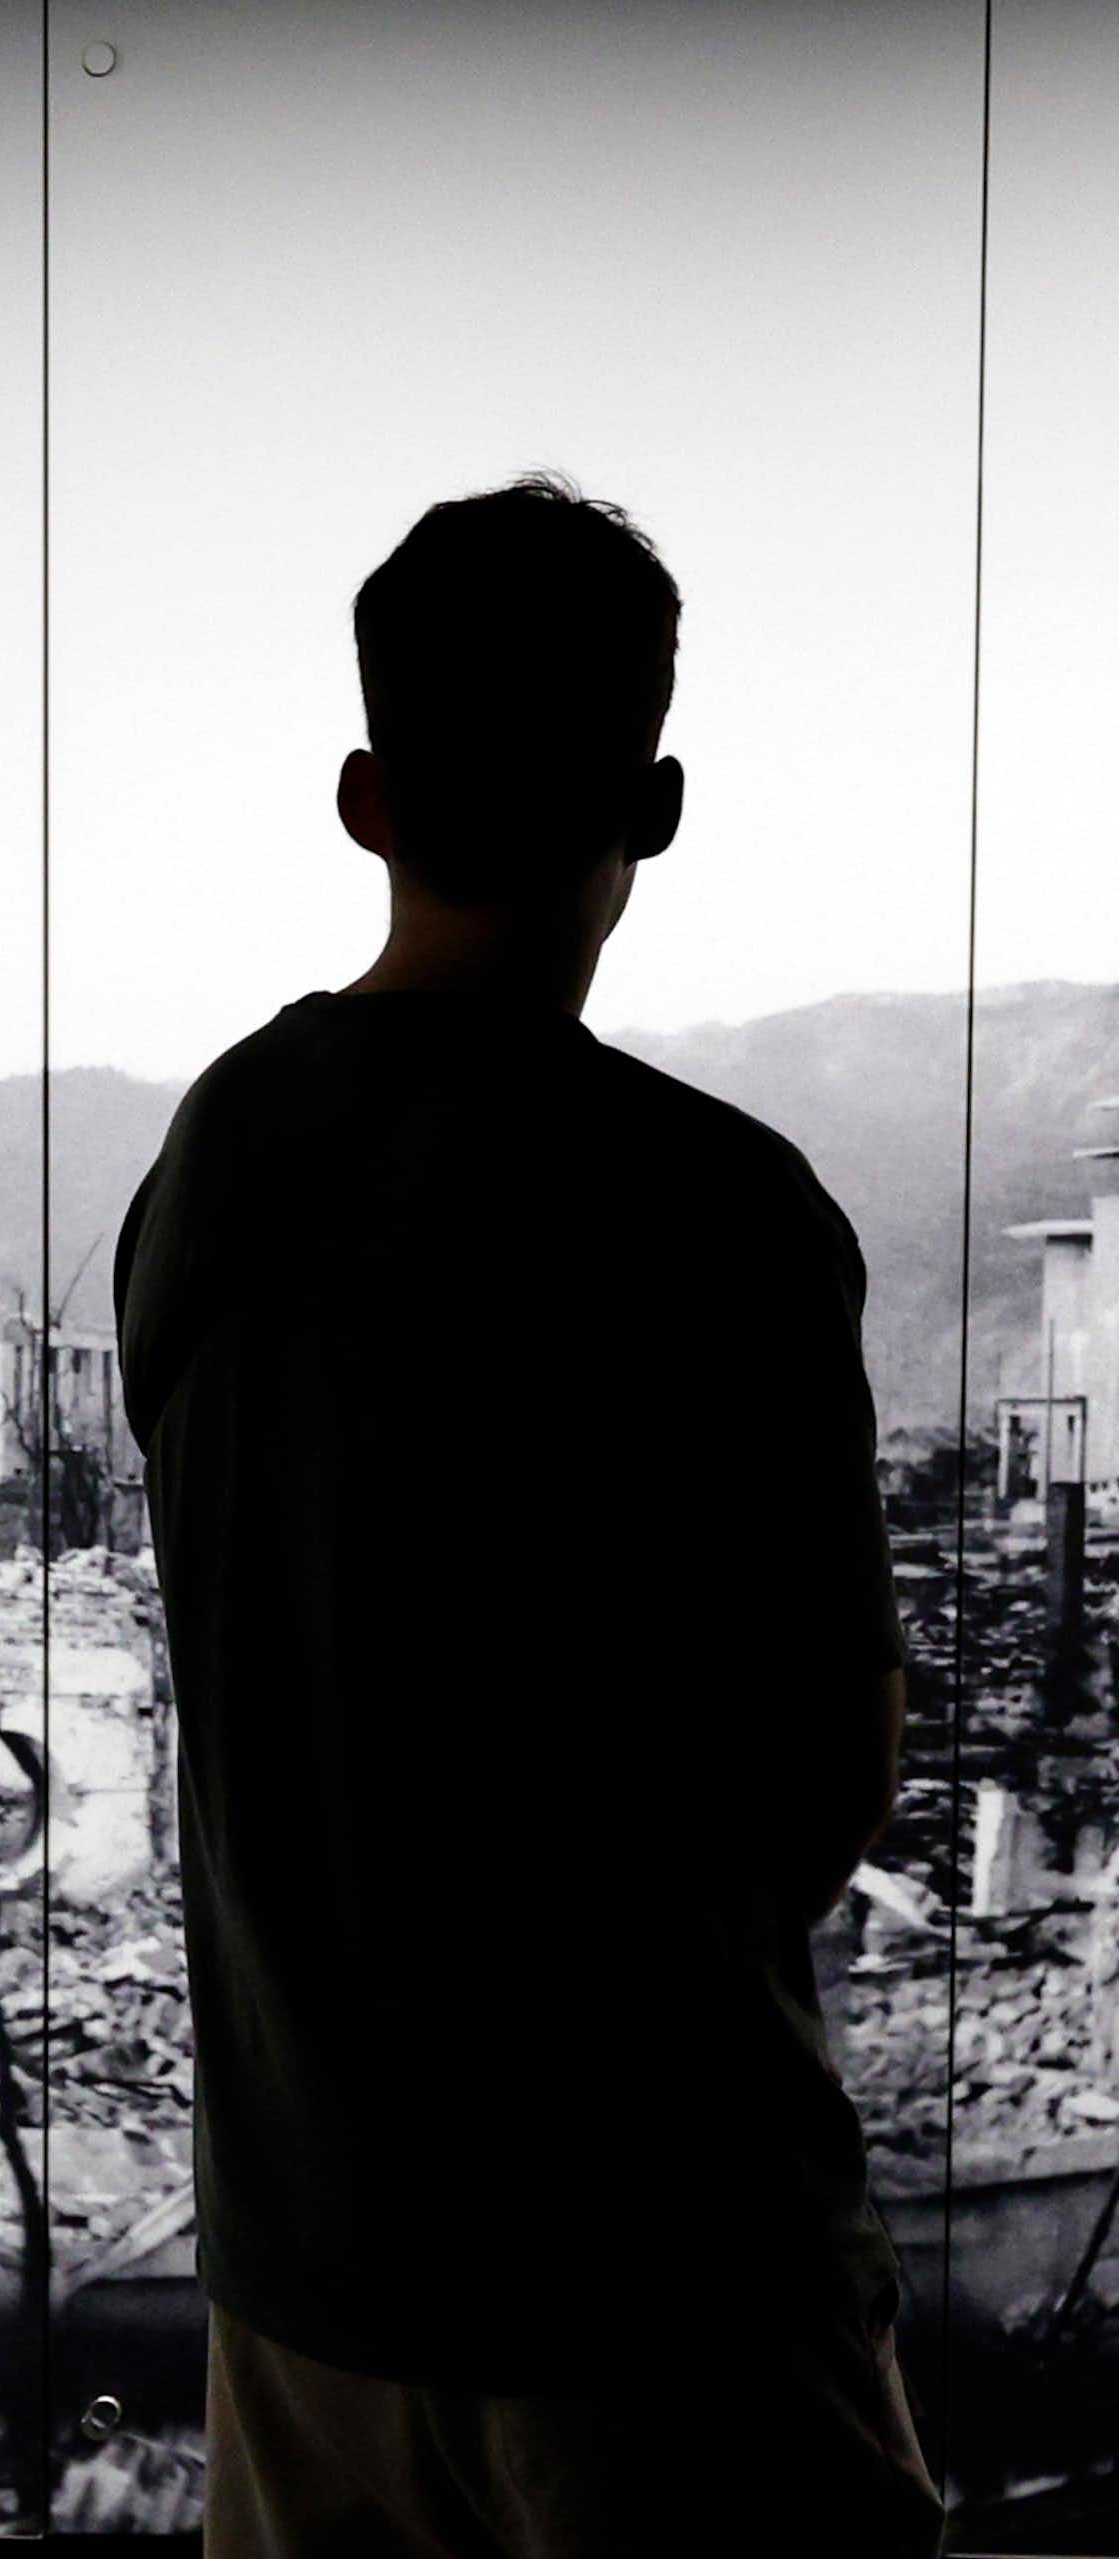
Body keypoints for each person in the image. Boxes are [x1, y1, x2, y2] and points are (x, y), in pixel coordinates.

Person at [110, 473, 947, 2556]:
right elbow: (825, 1780)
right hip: (661, 2279)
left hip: (305, 2293)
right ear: (649, 804)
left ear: (363, 795)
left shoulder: (207, 1174)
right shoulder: (716, 1210)